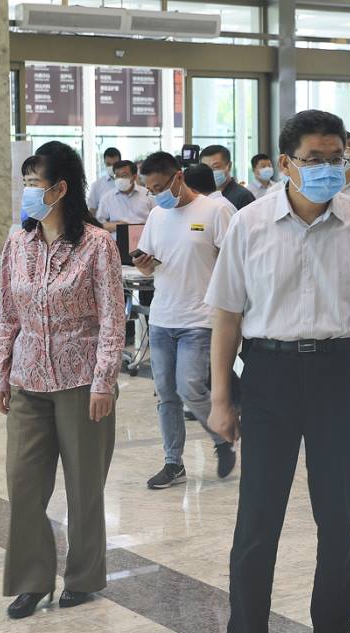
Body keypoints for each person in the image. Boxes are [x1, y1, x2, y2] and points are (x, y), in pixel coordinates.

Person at [205, 109, 350, 633]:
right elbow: (227, 316)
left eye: (336, 158)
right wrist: (221, 397)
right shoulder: (249, 224)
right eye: (314, 159)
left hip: (337, 376)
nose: (327, 169)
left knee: (337, 519)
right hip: (268, 375)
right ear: (286, 162)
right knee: (257, 523)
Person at [0, 142, 124, 619]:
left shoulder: (97, 244)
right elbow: (8, 312)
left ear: (61, 188)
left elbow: (112, 318)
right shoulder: (17, 243)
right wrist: (0, 373)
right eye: (25, 183)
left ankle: (83, 577)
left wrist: (104, 381)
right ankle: (32, 580)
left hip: (81, 383)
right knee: (23, 485)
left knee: (84, 489)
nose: (27, 192)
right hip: (28, 381)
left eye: (35, 184)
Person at [133, 153, 238, 489]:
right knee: (166, 395)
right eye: (150, 190)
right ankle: (173, 463)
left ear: (178, 177)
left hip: (201, 317)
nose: (156, 194)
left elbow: (234, 262)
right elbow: (147, 266)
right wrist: (145, 266)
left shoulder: (215, 211)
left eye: (159, 187)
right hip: (162, 317)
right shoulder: (156, 215)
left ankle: (223, 437)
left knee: (189, 387)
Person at [95, 159, 156, 232]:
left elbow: (157, 218)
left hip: (143, 236)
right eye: (117, 176)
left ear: (134, 177)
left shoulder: (148, 194)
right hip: (116, 237)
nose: (120, 179)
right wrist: (116, 226)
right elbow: (99, 225)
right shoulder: (107, 198)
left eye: (124, 175)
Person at [201, 144, 256, 210]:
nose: (210, 172)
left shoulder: (243, 196)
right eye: (206, 168)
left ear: (229, 166)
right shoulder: (202, 195)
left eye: (216, 167)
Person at [87, 146, 122, 214]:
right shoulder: (96, 185)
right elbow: (92, 210)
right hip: (104, 220)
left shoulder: (128, 182)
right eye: (108, 164)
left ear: (120, 163)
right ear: (104, 163)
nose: (112, 167)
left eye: (115, 164)